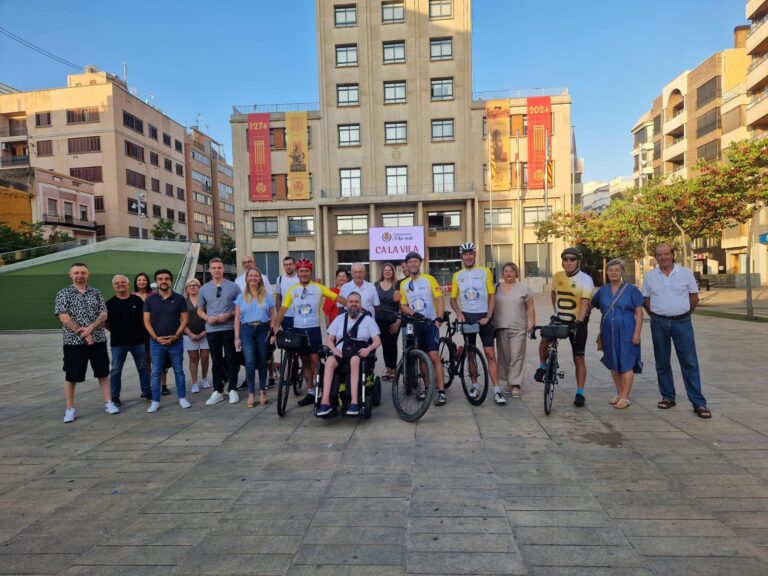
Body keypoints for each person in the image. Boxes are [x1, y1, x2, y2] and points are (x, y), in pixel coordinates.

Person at [642, 244, 710, 418]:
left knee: (689, 362)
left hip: (682, 322)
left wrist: (683, 314)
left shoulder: (685, 273)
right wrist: (656, 315)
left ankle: (698, 403)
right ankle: (667, 397)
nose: (663, 257)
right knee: (662, 361)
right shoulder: (650, 276)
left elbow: (694, 298)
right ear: (655, 257)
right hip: (659, 322)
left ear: (673, 255)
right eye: (659, 255)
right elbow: (646, 300)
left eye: (666, 254)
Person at [275, 258, 347, 407]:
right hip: (298, 329)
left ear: (310, 272)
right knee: (305, 361)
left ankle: (319, 391)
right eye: (301, 271)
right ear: (298, 272)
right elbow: (283, 309)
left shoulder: (318, 288)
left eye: (306, 271)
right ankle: (310, 392)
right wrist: (276, 325)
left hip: (313, 329)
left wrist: (353, 305)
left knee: (315, 360)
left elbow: (337, 297)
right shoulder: (292, 290)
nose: (303, 273)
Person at [55, 262, 117, 423]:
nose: (80, 275)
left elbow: (103, 314)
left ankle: (109, 402)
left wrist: (90, 329)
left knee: (103, 372)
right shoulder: (63, 293)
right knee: (71, 376)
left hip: (98, 340)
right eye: (76, 273)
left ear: (88, 274)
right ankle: (70, 409)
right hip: (73, 342)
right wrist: (83, 333)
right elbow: (63, 316)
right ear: (70, 275)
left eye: (83, 272)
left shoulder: (96, 292)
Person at [536, 247, 594, 407]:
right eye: (565, 259)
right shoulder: (558, 276)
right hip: (559, 319)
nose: (568, 262)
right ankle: (542, 366)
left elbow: (585, 303)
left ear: (578, 262)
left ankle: (580, 393)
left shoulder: (586, 279)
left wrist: (579, 323)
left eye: (572, 259)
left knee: (579, 358)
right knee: (544, 338)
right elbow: (554, 294)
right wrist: (556, 312)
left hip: (577, 321)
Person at [450, 242, 504, 405]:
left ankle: (497, 390)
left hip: (484, 316)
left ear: (474, 255)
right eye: (465, 254)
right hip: (467, 317)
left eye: (470, 254)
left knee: (490, 354)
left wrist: (488, 316)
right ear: (461, 257)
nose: (468, 257)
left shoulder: (485, 271)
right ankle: (474, 385)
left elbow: (492, 295)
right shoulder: (457, 275)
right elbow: (453, 299)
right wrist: (459, 313)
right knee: (471, 353)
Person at [317, 292, 381, 417]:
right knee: (329, 361)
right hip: (340, 351)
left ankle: (354, 402)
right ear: (347, 304)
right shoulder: (339, 319)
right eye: (351, 302)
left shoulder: (368, 320)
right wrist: (334, 350)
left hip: (358, 351)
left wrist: (368, 349)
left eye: (356, 302)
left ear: (360, 304)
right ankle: (325, 402)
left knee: (354, 360)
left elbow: (377, 341)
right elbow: (329, 339)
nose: (354, 304)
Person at [591, 259, 643, 410]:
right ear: (606, 272)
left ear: (622, 272)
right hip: (608, 332)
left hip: (627, 331)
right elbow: (591, 304)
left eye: (617, 270)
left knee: (627, 363)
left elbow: (639, 312)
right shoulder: (602, 291)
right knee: (613, 363)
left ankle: (625, 397)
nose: (613, 273)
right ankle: (619, 393)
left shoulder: (632, 290)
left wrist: (637, 333)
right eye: (610, 270)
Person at [399, 251, 447, 405]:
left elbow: (440, 299)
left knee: (434, 356)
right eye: (410, 262)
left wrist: (439, 317)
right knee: (421, 357)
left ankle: (441, 391)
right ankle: (427, 388)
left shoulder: (429, 279)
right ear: (407, 265)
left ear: (420, 263)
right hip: (416, 325)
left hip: (431, 323)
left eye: (416, 261)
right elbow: (403, 305)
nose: (413, 264)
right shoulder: (404, 284)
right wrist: (414, 313)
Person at [143, 269, 189, 413]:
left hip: (176, 342)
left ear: (170, 281)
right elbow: (146, 321)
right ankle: (155, 401)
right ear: (156, 282)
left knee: (179, 370)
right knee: (156, 372)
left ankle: (182, 398)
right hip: (156, 343)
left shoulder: (179, 299)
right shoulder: (150, 300)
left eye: (166, 279)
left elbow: (185, 320)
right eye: (160, 279)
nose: (163, 281)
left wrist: (176, 335)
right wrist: (156, 337)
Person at [197, 257, 241, 405]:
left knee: (231, 359)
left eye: (219, 268)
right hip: (212, 329)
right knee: (216, 360)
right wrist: (207, 318)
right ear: (210, 270)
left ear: (223, 269)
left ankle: (232, 388)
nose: (217, 270)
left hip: (229, 328)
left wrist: (229, 314)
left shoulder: (233, 287)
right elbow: (199, 310)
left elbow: (240, 309)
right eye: (214, 268)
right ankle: (217, 390)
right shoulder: (204, 289)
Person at [106, 274, 151, 406]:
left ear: (128, 284)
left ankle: (147, 392)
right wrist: (117, 331)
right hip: (118, 343)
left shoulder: (137, 301)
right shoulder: (109, 304)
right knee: (116, 370)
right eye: (117, 283)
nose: (120, 284)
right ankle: (114, 397)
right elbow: (105, 323)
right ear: (113, 286)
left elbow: (144, 319)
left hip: (138, 341)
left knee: (143, 367)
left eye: (123, 282)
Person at [234, 268, 276, 408]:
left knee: (263, 360)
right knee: (250, 362)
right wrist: (236, 337)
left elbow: (273, 316)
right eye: (250, 276)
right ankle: (251, 393)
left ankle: (262, 391)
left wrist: (273, 333)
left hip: (263, 329)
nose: (253, 278)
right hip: (246, 330)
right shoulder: (241, 297)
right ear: (246, 278)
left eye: (256, 276)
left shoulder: (267, 296)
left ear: (260, 278)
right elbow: (237, 318)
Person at [493, 262, 535, 399]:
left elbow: (530, 307)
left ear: (516, 273)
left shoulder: (524, 288)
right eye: (506, 271)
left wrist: (532, 322)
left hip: (518, 327)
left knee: (516, 355)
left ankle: (516, 384)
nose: (509, 273)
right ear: (502, 273)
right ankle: (508, 382)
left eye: (512, 271)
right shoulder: (496, 287)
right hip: (500, 326)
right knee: (504, 356)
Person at [133, 272, 165, 397]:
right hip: (139, 332)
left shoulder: (154, 296)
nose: (141, 282)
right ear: (136, 282)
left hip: (153, 330)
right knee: (145, 362)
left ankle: (163, 385)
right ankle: (148, 387)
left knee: (157, 359)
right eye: (139, 280)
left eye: (144, 280)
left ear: (148, 282)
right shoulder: (132, 296)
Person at [374, 262, 401, 381]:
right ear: (382, 272)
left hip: (393, 321)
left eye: (390, 270)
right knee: (385, 345)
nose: (387, 272)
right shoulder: (376, 285)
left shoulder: (397, 285)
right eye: (385, 270)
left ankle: (393, 369)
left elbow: (401, 305)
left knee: (392, 345)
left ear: (393, 272)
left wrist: (398, 322)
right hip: (379, 320)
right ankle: (387, 369)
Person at [182, 278, 209, 394]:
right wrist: (190, 334)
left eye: (195, 285)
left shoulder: (205, 301)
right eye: (190, 285)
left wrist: (205, 332)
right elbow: (181, 320)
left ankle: (204, 378)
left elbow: (209, 316)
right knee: (193, 358)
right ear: (186, 288)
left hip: (205, 333)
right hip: (189, 335)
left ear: (199, 287)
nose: (192, 287)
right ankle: (194, 382)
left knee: (205, 357)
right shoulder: (183, 302)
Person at [274, 255, 300, 329]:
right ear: (283, 266)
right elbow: (278, 298)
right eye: (286, 265)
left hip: (299, 315)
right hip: (285, 316)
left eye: (290, 264)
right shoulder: (280, 279)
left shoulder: (300, 278)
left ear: (294, 265)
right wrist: (279, 315)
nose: (288, 267)